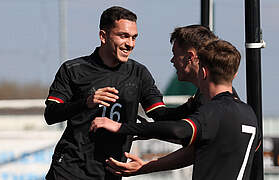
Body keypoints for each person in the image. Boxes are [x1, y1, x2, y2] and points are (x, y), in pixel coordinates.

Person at [90, 39, 261, 179]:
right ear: (235, 74)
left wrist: (121, 127)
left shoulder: (214, 111)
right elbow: (197, 151)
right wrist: (145, 167)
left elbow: (178, 130)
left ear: (203, 72)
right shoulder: (249, 114)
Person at [44, 6, 167, 180]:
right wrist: (86, 103)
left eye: (134, 37)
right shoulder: (73, 69)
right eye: (123, 36)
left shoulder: (139, 73)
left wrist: (193, 106)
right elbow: (51, 114)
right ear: (103, 36)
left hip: (110, 173)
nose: (130, 44)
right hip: (69, 170)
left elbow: (161, 115)